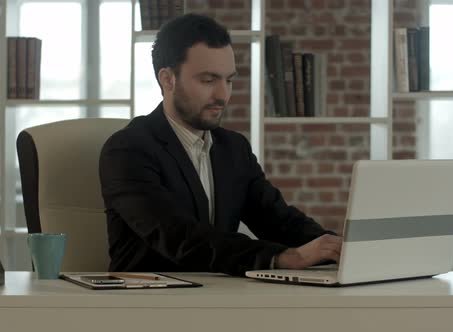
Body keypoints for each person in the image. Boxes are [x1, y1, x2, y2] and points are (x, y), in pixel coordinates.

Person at [99, 13, 342, 276]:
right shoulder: (127, 150)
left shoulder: (233, 149)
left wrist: (338, 248)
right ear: (167, 79)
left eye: (228, 80)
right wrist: (285, 257)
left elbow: (280, 221)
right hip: (148, 304)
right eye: (208, 80)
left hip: (220, 299)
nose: (222, 95)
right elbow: (182, 239)